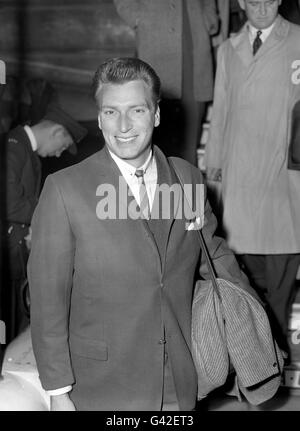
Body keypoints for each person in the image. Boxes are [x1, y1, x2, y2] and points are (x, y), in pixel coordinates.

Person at [27, 57, 281, 411]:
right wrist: (57, 390)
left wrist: (259, 328)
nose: (124, 125)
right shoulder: (65, 189)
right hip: (101, 384)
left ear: (156, 115)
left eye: (137, 110)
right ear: (99, 118)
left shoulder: (186, 178)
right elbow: (47, 299)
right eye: (112, 112)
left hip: (179, 377)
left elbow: (218, 258)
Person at [205, 0, 300, 355]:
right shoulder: (229, 49)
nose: (260, 6)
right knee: (243, 277)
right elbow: (220, 114)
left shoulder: (298, 43)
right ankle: (252, 356)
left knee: (281, 277)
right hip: (240, 181)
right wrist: (213, 176)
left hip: (284, 182)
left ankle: (272, 355)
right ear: (241, 3)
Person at [2, 105, 87, 341]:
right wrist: (49, 214)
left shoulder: (23, 149)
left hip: (15, 252)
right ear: (57, 132)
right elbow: (8, 203)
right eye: (63, 146)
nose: (59, 154)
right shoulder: (13, 146)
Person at [113, 0, 218, 166]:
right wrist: (136, 16)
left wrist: (209, 16)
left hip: (195, 49)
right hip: (157, 45)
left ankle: (185, 189)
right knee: (156, 145)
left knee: (189, 145)